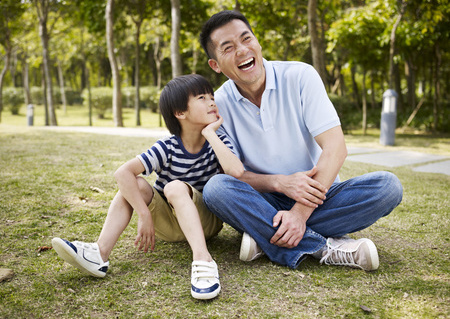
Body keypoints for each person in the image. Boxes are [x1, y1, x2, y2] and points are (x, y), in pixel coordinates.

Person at [199, 10, 403, 271]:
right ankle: (323, 248)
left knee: (387, 187)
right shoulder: (217, 106)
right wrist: (281, 183)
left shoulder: (300, 76)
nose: (242, 50)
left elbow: (336, 148)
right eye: (228, 48)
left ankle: (266, 237)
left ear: (258, 42)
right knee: (216, 189)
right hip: (263, 199)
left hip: (318, 194)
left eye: (246, 39)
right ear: (215, 65)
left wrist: (298, 214)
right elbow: (234, 174)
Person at [52, 74, 244, 300]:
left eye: (212, 96)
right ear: (180, 113)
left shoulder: (217, 139)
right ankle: (99, 253)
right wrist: (143, 214)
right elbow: (122, 173)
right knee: (136, 184)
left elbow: (236, 171)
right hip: (167, 224)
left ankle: (203, 260)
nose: (212, 101)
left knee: (174, 187)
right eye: (202, 97)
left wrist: (210, 133)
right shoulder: (168, 145)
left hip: (206, 224)